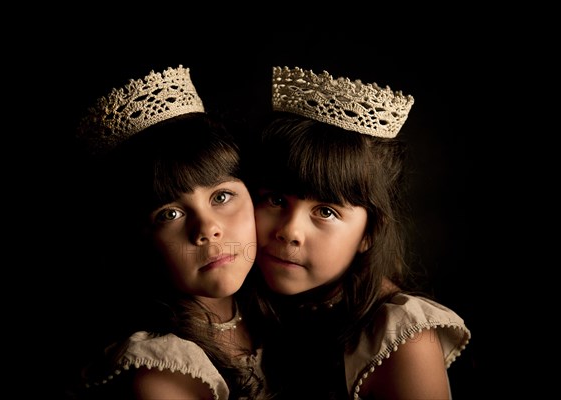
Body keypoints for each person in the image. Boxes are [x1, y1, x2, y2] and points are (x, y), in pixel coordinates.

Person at [251, 66, 471, 399]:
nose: (289, 231)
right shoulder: (238, 304)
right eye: (276, 199)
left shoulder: (399, 339)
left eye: (326, 211)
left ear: (369, 234)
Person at [68, 65, 270, 400]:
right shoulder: (163, 370)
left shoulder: (273, 308)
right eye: (170, 214)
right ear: (140, 238)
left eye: (221, 197)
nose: (206, 230)